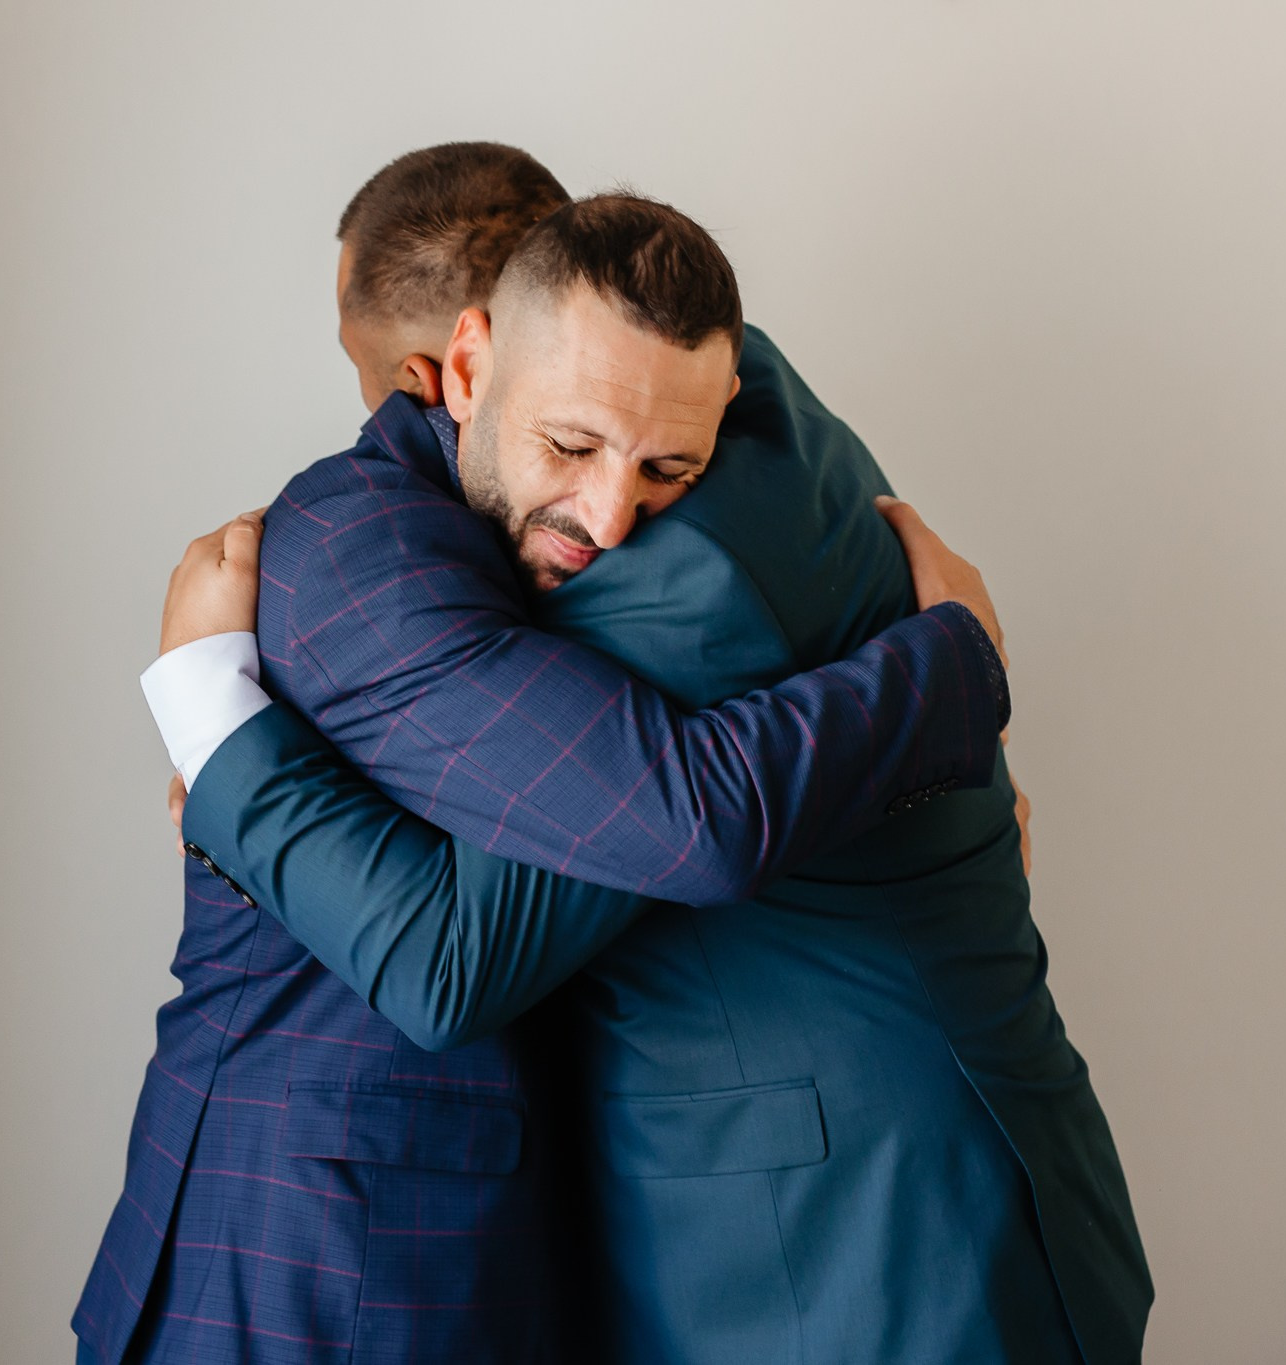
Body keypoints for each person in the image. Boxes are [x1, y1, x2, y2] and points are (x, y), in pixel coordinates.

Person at [73, 145, 1022, 1365]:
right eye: (569, 443)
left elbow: (666, 820)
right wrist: (210, 725)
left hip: (474, 1244)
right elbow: (472, 947)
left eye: (653, 461)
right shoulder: (356, 551)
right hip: (314, 1254)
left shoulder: (647, 502)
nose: (615, 507)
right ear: (461, 371)